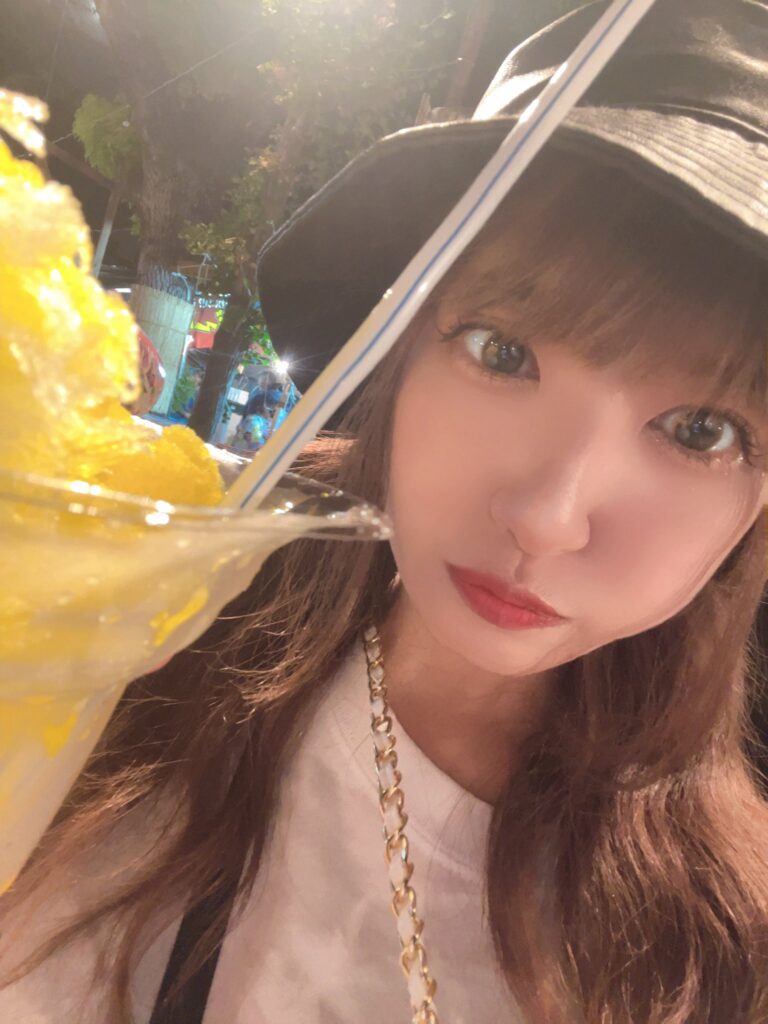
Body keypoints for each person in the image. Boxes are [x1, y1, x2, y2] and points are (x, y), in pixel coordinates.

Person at [2, 2, 768, 1022]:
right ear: (398, 354)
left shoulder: (719, 958)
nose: (547, 518)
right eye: (501, 351)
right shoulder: (135, 633)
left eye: (701, 430)